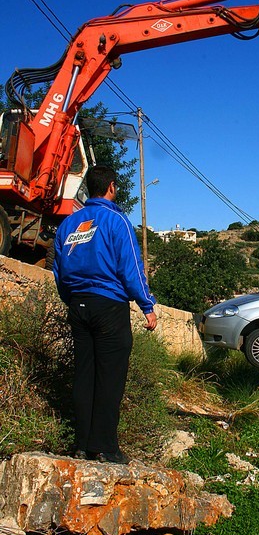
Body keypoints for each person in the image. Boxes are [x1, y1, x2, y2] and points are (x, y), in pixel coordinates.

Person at [53, 164, 157, 464]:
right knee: (110, 378)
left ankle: (82, 444)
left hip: (78, 306)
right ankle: (106, 448)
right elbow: (131, 269)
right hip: (109, 307)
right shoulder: (116, 221)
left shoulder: (69, 224)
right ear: (112, 187)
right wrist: (147, 306)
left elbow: (59, 270)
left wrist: (71, 300)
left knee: (84, 376)